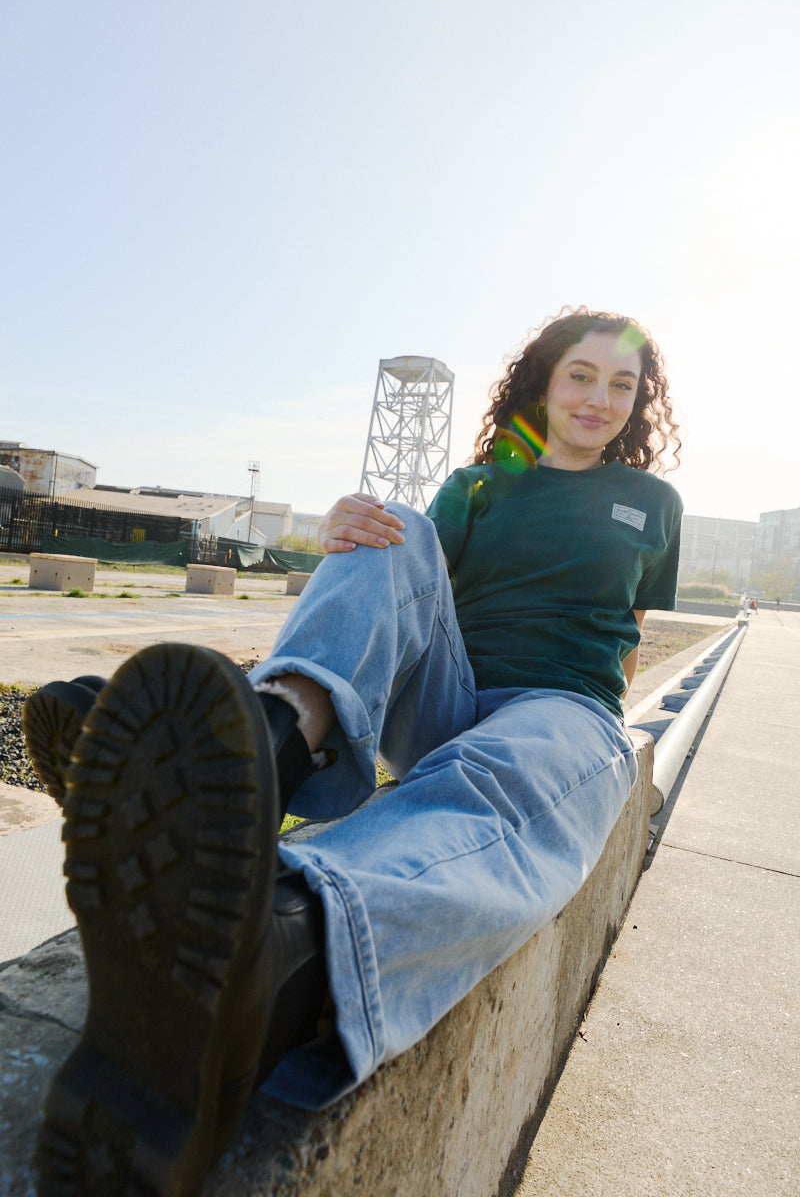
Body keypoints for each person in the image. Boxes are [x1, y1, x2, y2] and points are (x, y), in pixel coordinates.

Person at [24, 307, 683, 1196]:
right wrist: (349, 527)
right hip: (448, 696)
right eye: (581, 375)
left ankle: (273, 949)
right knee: (392, 525)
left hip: (561, 707)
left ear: (641, 402)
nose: (600, 397)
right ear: (541, 380)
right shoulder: (480, 486)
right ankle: (260, 754)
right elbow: (405, 599)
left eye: (622, 384)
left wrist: (604, 725)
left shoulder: (653, 504)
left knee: (502, 780)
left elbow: (629, 636)